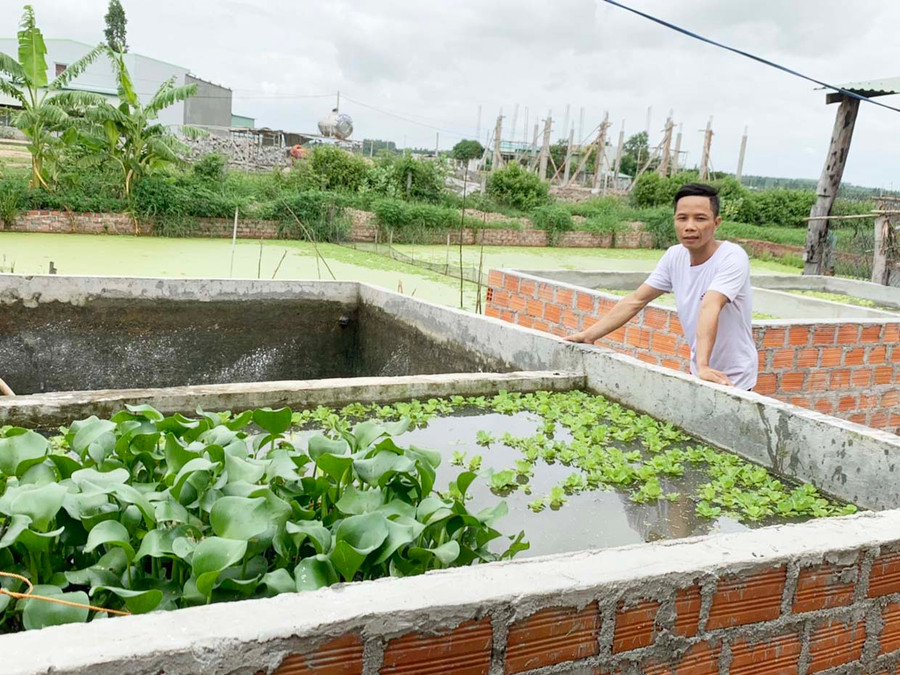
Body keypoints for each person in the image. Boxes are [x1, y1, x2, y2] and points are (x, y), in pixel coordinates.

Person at [565, 183, 757, 390]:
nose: (690, 226)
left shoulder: (732, 257)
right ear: (674, 221)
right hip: (701, 371)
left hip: (734, 377)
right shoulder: (674, 256)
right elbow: (636, 300)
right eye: (682, 218)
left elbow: (710, 305)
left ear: (716, 223)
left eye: (700, 219)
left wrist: (703, 366)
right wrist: (588, 335)